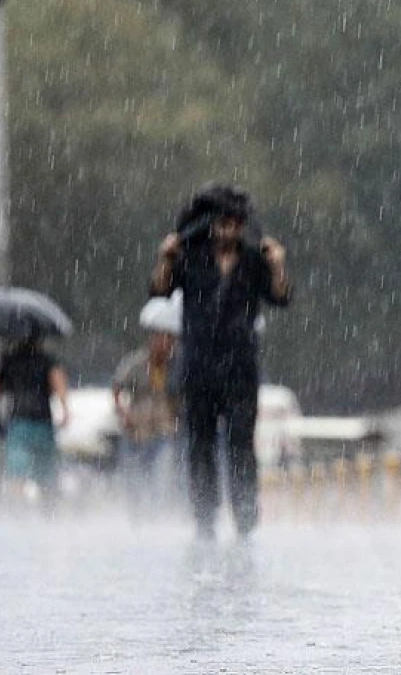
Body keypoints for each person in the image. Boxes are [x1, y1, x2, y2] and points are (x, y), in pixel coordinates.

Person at [150, 183, 290, 540]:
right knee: (199, 444)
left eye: (235, 223)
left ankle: (245, 517)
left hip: (241, 366)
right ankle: (204, 518)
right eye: (222, 222)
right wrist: (166, 258)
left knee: (242, 442)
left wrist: (278, 266)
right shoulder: (189, 257)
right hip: (198, 365)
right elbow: (158, 290)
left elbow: (281, 297)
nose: (229, 230)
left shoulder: (255, 259)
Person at [112, 316, 180, 522]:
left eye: (166, 339)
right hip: (136, 432)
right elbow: (116, 387)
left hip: (164, 432)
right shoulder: (136, 363)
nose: (161, 344)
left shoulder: (177, 366)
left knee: (161, 480)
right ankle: (137, 521)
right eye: (157, 338)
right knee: (134, 482)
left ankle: (156, 520)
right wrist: (123, 413)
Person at [0, 334, 70, 512]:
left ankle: (18, 513)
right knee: (46, 473)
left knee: (17, 473)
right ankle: (48, 513)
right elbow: (58, 382)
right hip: (43, 421)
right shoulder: (47, 360)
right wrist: (65, 409)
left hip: (19, 422)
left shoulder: (9, 360)